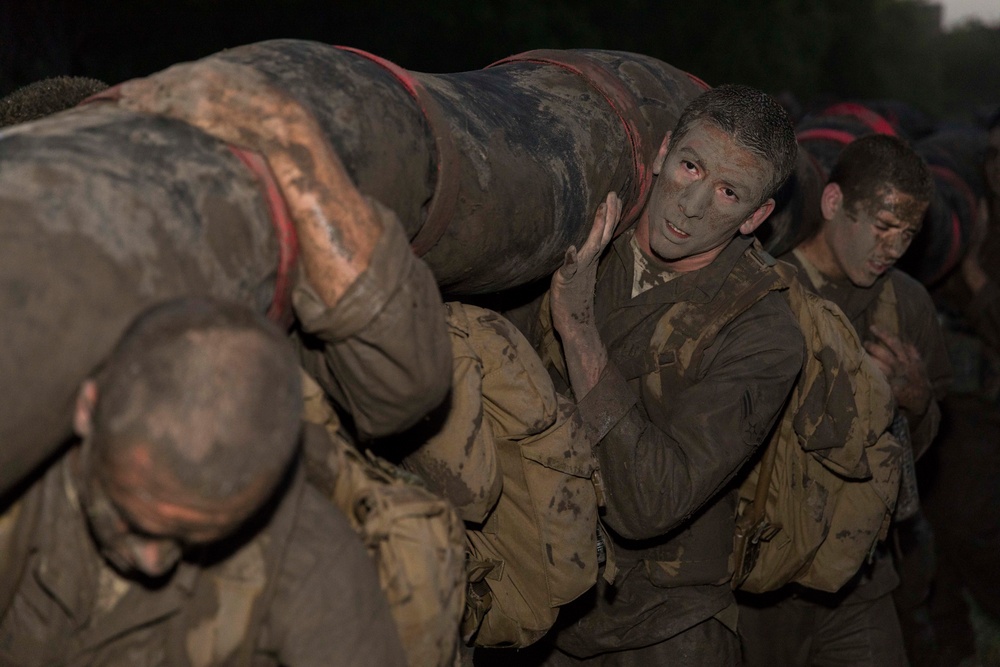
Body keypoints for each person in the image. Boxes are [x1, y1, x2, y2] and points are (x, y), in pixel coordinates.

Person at [538, 84, 804, 665]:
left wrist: (579, 329)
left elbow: (649, 505)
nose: (690, 206)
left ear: (756, 217)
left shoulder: (763, 334)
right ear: (661, 155)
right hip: (530, 599)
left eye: (728, 193)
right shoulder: (574, 229)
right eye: (690, 167)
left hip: (664, 629)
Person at [0, 297, 407, 667]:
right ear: (88, 411)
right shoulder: (19, 461)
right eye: (133, 520)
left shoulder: (313, 563)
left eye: (192, 536)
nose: (154, 562)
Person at [739, 133, 952, 666]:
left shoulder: (907, 305)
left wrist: (917, 401)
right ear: (833, 203)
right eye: (883, 227)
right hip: (762, 583)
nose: (895, 248)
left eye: (908, 234)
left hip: (861, 579)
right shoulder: (765, 295)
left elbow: (917, 461)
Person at [920, 108, 1000, 665]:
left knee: (974, 531)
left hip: (987, 418)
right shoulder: (977, 210)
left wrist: (975, 278)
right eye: (994, 155)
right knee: (936, 540)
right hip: (959, 412)